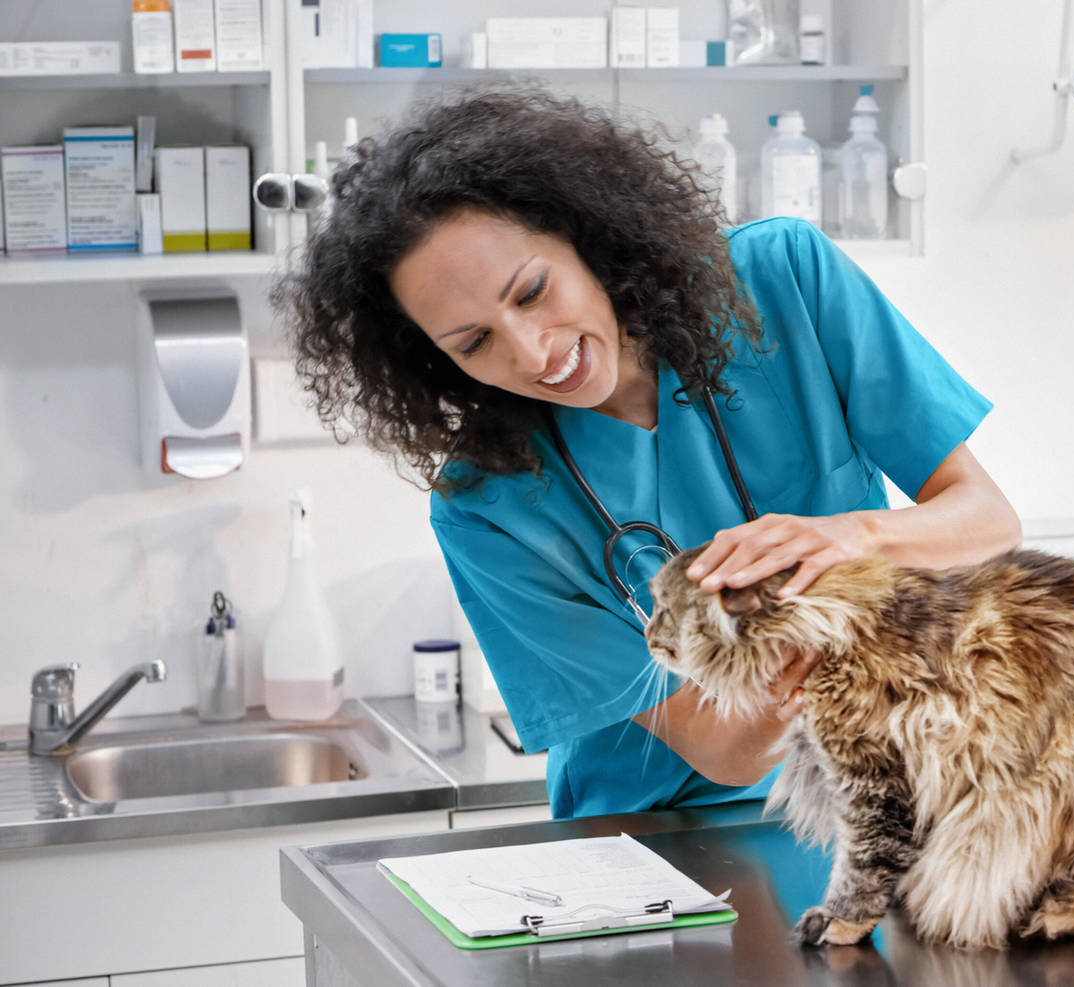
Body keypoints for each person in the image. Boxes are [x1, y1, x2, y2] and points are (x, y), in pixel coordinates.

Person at [276, 89, 1020, 818]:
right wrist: (804, 656)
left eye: (532, 291)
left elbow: (986, 521)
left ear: (583, 235)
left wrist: (851, 537)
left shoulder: (783, 278)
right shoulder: (485, 506)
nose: (534, 352)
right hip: (656, 838)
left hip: (868, 797)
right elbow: (722, 750)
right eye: (474, 342)